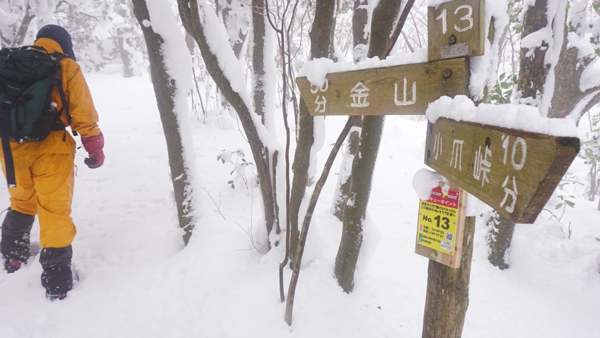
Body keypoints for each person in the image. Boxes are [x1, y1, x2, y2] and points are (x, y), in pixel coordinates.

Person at [0, 25, 105, 300]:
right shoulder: (66, 66)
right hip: (51, 150)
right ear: (64, 45)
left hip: (9, 150)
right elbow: (82, 110)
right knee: (54, 211)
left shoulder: (8, 62)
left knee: (21, 200)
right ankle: (57, 283)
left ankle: (13, 257)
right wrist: (94, 143)